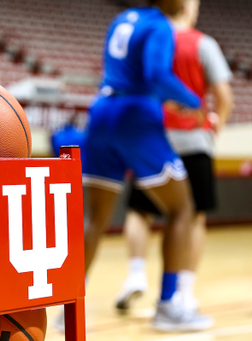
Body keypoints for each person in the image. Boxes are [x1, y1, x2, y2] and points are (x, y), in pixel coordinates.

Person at [79, 0, 214, 331]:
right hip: (136, 117)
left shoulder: (123, 18)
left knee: (94, 218)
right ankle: (168, 308)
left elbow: (127, 71)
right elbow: (157, 75)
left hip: (101, 113)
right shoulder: (160, 26)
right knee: (182, 209)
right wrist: (193, 103)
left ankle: (66, 306)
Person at [115, 0, 233, 319]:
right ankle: (182, 292)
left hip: (152, 136)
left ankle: (135, 274)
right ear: (185, 6)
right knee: (191, 216)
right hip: (194, 141)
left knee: (140, 211)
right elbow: (223, 96)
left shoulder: (143, 32)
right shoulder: (202, 43)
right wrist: (214, 125)